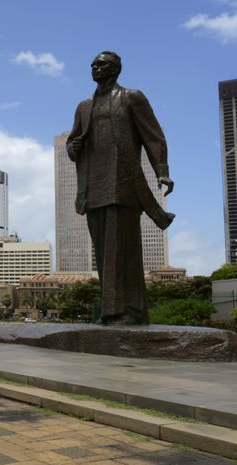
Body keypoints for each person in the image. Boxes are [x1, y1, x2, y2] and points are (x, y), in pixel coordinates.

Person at [66, 51, 175, 325]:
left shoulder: (131, 97)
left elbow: (153, 136)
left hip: (123, 186)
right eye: (92, 64)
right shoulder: (84, 106)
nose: (94, 67)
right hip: (94, 190)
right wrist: (73, 147)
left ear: (115, 69)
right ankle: (113, 312)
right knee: (104, 254)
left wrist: (162, 171)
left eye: (100, 64)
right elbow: (72, 144)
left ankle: (127, 312)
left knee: (123, 252)